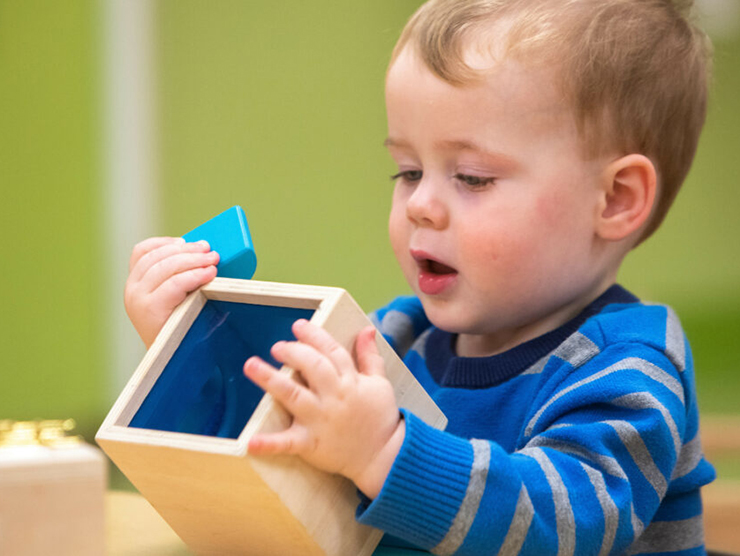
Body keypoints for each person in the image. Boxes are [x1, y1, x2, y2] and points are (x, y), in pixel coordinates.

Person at [124, 0, 716, 553]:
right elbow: (275, 449)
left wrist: (385, 450)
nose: (420, 205)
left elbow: (561, 523)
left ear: (614, 199)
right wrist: (188, 347)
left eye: (473, 177)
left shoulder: (629, 367)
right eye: (407, 171)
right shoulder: (394, 338)